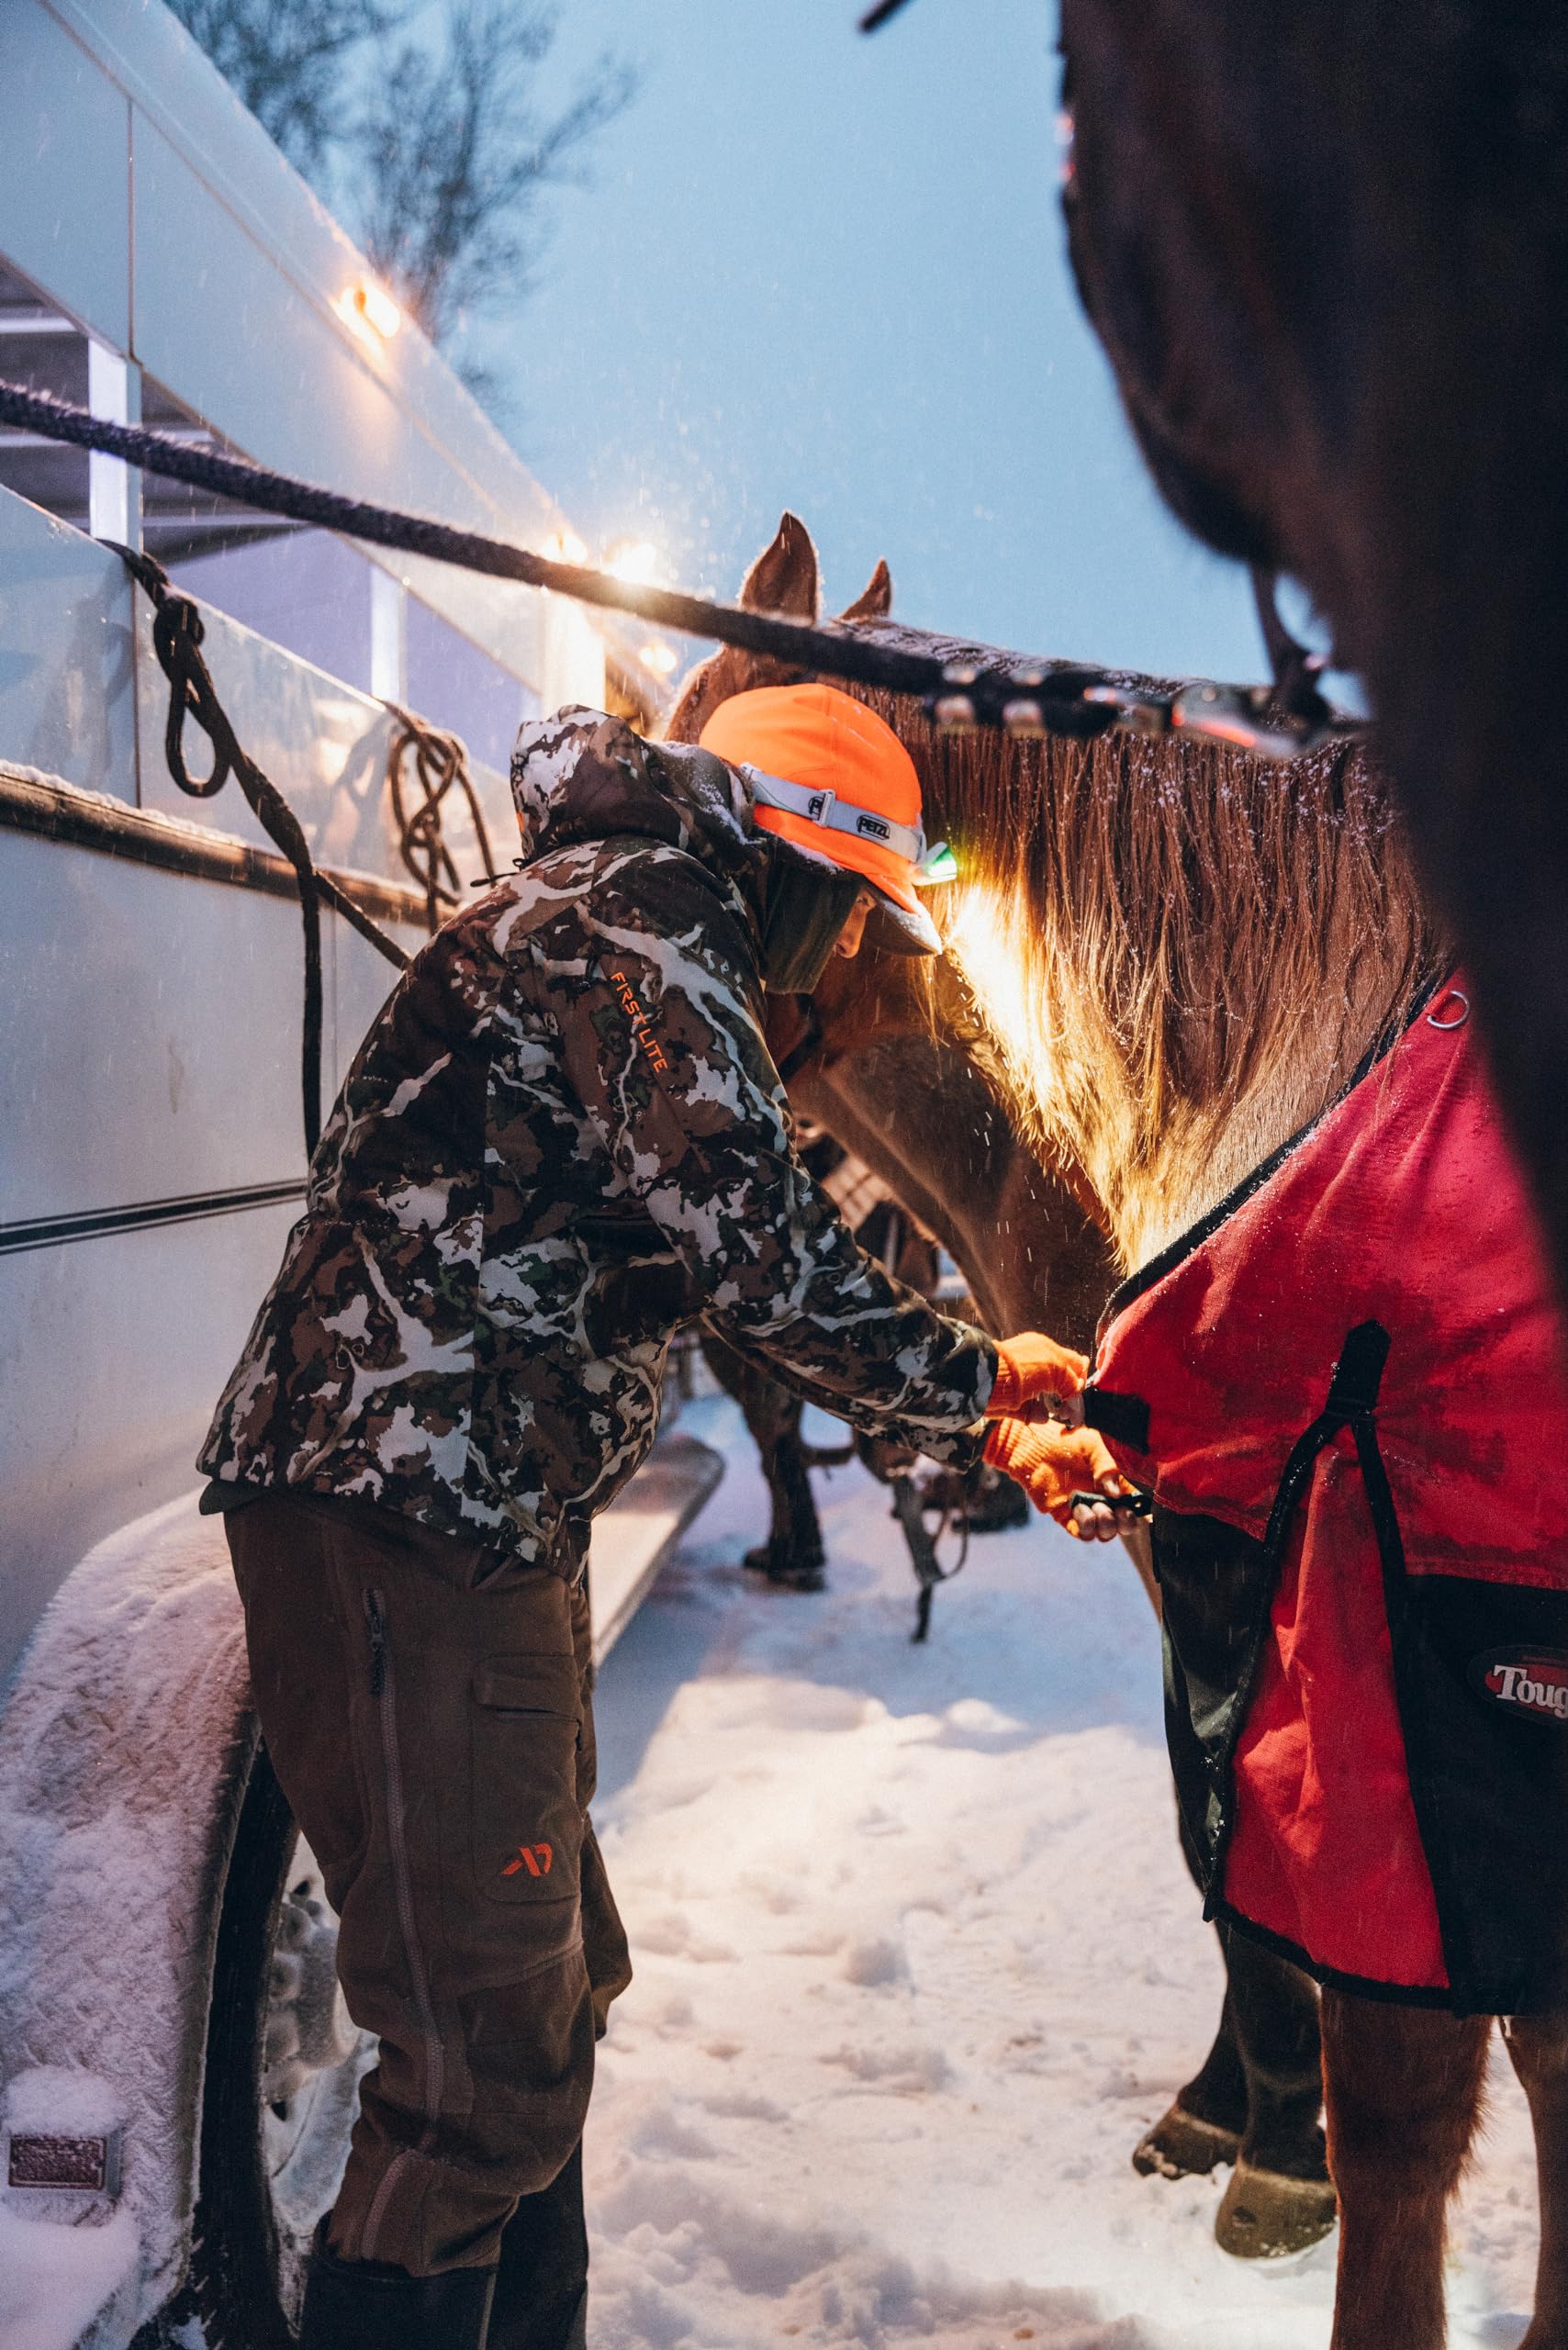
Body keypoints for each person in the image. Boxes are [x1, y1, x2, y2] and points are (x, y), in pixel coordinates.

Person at [198, 684, 1122, 2349]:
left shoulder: (636, 918)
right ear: (794, 855)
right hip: (413, 1507)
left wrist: (980, 1410)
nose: (845, 962)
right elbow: (760, 1251)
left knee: (541, 2011)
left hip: (469, 1506)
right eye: (852, 913)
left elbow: (730, 1254)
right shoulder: (643, 924)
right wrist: (989, 1388)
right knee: (477, 2073)